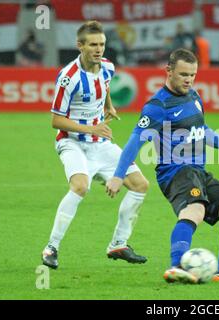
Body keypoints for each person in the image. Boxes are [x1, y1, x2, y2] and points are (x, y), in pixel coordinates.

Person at [106, 48, 219, 283]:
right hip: (175, 173)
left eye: (192, 75)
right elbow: (135, 141)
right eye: (183, 74)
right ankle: (176, 266)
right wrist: (118, 175)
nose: (188, 80)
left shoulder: (194, 97)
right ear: (168, 71)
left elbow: (203, 131)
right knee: (195, 211)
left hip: (198, 172)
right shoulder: (158, 105)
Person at [42, 21, 149, 269]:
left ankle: (119, 245)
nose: (99, 49)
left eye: (101, 44)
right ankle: (51, 248)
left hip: (101, 144)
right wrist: (91, 127)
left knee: (140, 185)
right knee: (80, 187)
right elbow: (56, 120)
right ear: (80, 46)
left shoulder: (108, 68)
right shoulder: (68, 78)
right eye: (93, 45)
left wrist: (108, 105)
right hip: (72, 143)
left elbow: (105, 85)